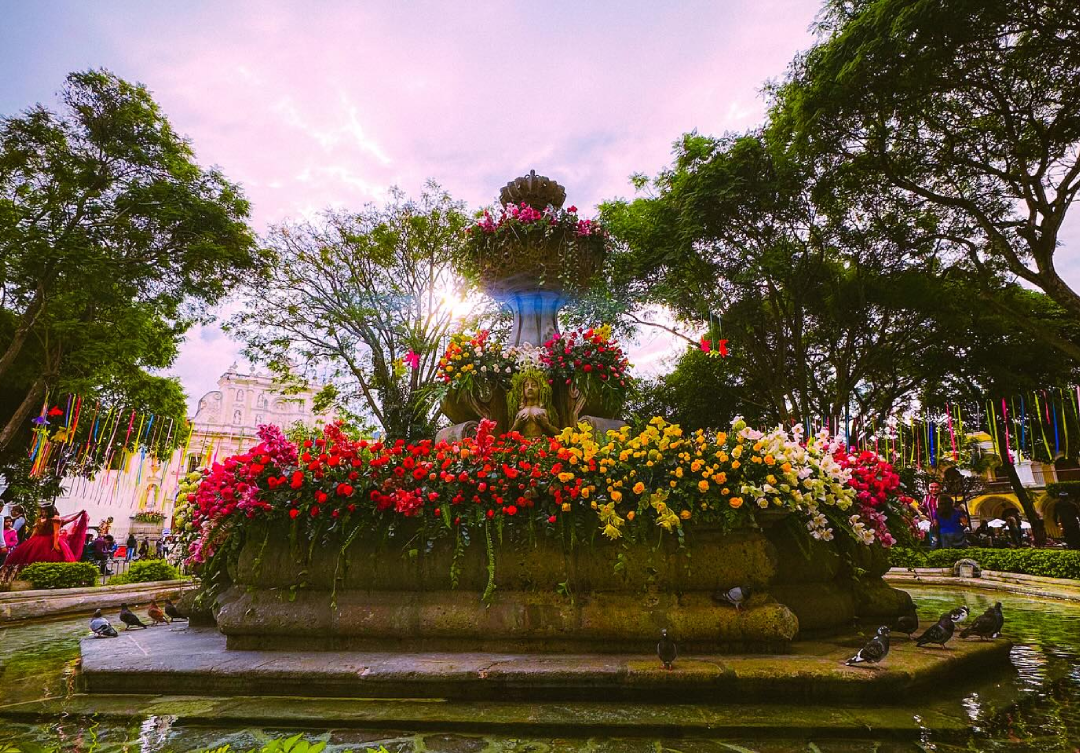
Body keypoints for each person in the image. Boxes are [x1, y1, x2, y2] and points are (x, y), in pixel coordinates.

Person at [1, 504, 89, 569]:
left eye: (44, 511)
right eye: (42, 511)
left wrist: (55, 544)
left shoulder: (55, 519)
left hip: (49, 540)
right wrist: (29, 542)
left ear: (49, 511)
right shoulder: (40, 519)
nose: (43, 513)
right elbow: (35, 532)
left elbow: (56, 532)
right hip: (36, 540)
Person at [921, 481, 943, 548]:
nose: (934, 489)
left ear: (940, 488)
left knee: (944, 543)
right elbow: (924, 509)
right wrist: (921, 509)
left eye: (936, 487)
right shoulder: (926, 498)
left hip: (944, 525)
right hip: (933, 525)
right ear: (928, 488)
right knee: (934, 544)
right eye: (931, 487)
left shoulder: (943, 497)